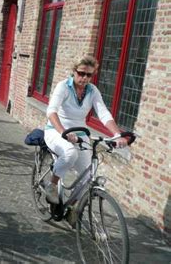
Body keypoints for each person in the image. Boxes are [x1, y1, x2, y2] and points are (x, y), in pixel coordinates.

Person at [44, 55, 129, 204]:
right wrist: (64, 131)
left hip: (80, 133)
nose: (84, 77)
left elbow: (103, 113)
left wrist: (117, 134)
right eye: (81, 73)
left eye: (88, 75)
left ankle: (73, 208)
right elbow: (51, 111)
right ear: (74, 71)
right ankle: (52, 185)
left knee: (88, 175)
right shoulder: (63, 86)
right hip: (56, 131)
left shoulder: (92, 90)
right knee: (70, 154)